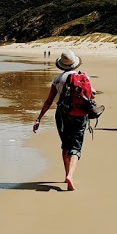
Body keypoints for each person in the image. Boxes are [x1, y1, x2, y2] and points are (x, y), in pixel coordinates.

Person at [33, 50, 96, 191]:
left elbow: (49, 101)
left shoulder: (58, 79)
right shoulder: (84, 76)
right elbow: (93, 95)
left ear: (61, 65)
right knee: (76, 145)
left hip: (62, 115)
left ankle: (66, 174)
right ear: (74, 64)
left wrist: (39, 118)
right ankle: (70, 176)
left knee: (66, 144)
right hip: (80, 114)